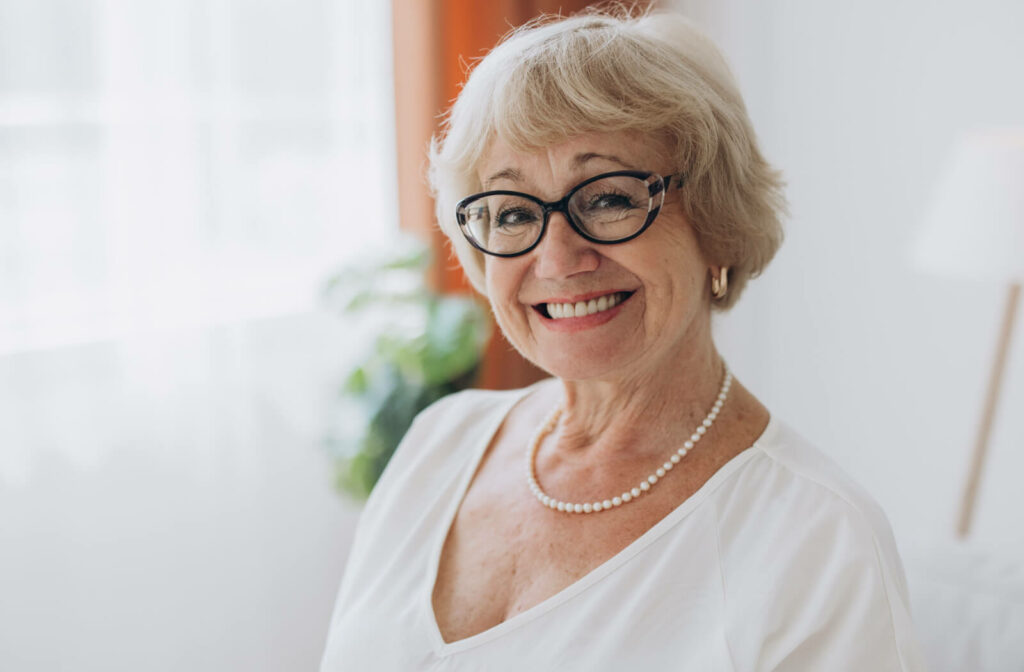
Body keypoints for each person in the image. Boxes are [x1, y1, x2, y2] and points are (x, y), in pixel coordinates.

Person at [321, 8, 925, 671]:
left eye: (608, 199)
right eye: (514, 211)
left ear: (717, 222)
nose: (557, 259)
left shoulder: (820, 541)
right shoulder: (437, 445)